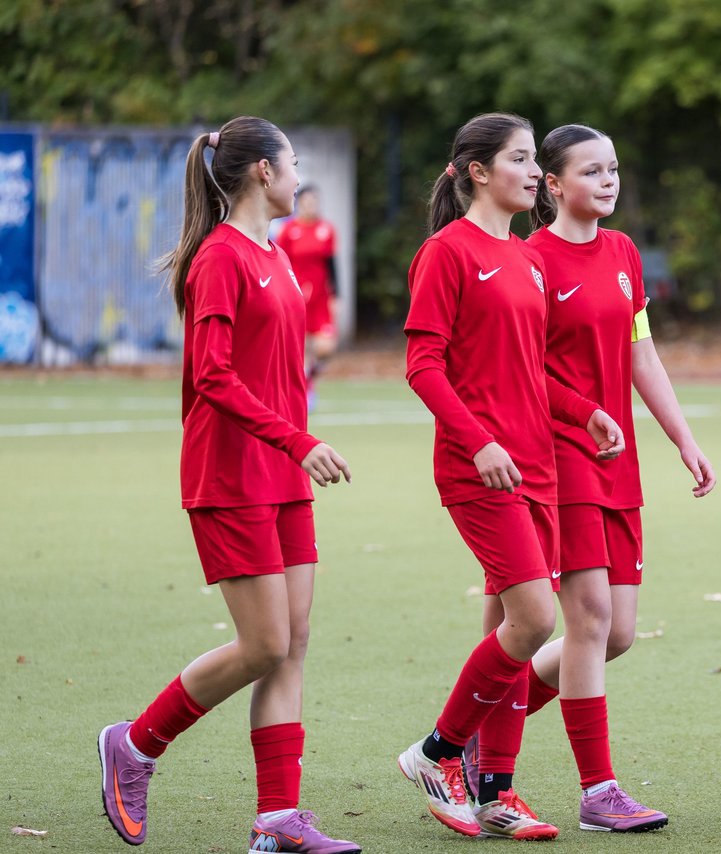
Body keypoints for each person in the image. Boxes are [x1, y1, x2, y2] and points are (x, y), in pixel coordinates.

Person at [97, 116, 358, 853]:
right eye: (295, 163)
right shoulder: (221, 258)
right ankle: (136, 743)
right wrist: (299, 440)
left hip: (281, 475)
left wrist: (294, 448)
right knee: (265, 643)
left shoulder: (274, 256)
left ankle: (278, 820)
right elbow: (211, 375)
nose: (302, 177)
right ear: (261, 173)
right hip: (230, 474)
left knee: (294, 640)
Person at [395, 112, 626, 841]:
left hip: (541, 468)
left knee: (508, 626)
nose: (534, 173)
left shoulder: (527, 258)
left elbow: (529, 371)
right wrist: (477, 441)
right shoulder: (447, 253)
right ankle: (437, 753)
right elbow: (422, 366)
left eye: (535, 161)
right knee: (535, 619)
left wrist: (585, 411)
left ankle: (495, 791)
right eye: (521, 161)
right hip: (480, 470)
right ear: (477, 172)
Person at [499, 123, 716, 833]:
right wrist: (583, 412)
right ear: (553, 185)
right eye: (591, 171)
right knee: (587, 620)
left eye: (614, 169)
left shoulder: (622, 253)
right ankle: (598, 793)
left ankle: (473, 726)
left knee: (617, 633)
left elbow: (641, 357)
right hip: (557, 462)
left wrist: (683, 439)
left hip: (616, 462)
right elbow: (522, 368)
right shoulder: (529, 259)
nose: (608, 181)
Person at [275, 186, 339, 410]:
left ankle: (309, 378)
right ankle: (299, 391)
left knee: (325, 348)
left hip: (320, 297)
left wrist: (336, 295)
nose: (311, 205)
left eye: (315, 201)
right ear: (299, 203)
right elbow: (279, 263)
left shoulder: (326, 229)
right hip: (296, 296)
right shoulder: (288, 230)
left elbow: (332, 265)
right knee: (297, 349)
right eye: (307, 201)